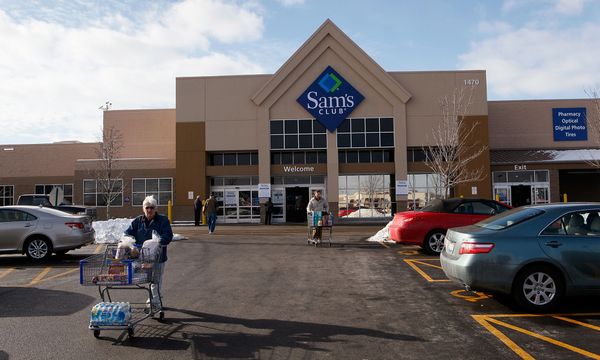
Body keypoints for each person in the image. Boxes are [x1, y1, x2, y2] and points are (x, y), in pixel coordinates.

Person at [124, 195, 173, 309]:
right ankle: (155, 298)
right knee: (146, 279)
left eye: (152, 207)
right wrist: (130, 243)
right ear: (143, 208)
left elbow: (168, 235)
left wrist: (159, 241)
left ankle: (154, 303)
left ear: (155, 209)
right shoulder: (137, 221)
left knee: (155, 281)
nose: (149, 210)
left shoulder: (163, 220)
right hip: (142, 257)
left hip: (157, 257)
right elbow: (127, 233)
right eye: (147, 208)